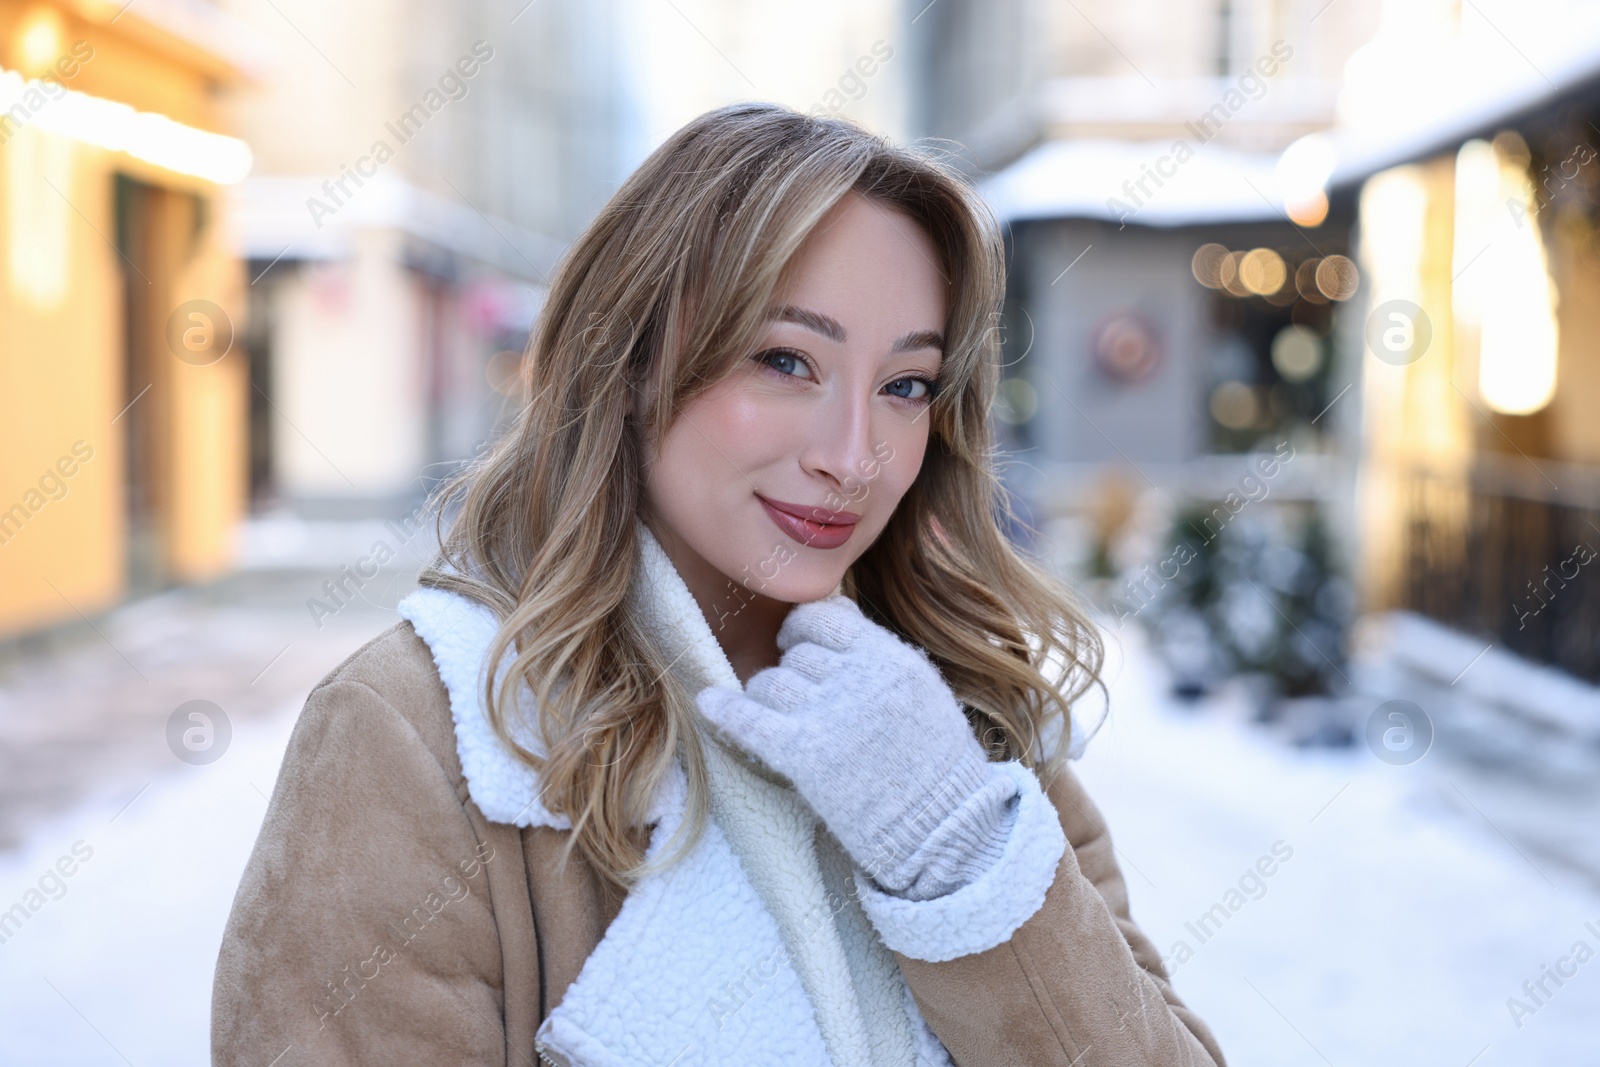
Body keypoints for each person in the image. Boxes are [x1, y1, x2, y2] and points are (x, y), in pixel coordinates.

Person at [211, 101, 1228, 1067]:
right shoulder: (421, 735)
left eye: (905, 384)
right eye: (785, 360)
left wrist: (960, 863)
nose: (853, 456)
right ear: (633, 362)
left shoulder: (957, 723)